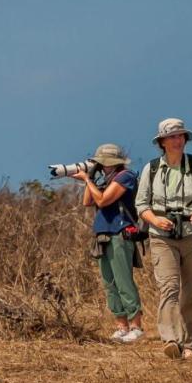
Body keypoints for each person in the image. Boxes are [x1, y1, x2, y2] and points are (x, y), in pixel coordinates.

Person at [135, 118, 192, 359]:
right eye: (172, 136)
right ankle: (171, 340)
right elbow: (141, 204)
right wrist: (155, 220)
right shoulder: (150, 169)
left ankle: (190, 344)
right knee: (168, 287)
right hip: (162, 236)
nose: (178, 140)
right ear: (162, 142)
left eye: (181, 136)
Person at [71, 143, 145, 343]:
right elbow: (88, 202)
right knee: (109, 283)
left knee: (123, 281)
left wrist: (87, 178)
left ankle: (136, 326)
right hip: (102, 235)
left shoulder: (125, 176)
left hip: (120, 234)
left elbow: (102, 201)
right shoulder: (102, 178)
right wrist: (91, 178)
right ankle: (121, 326)